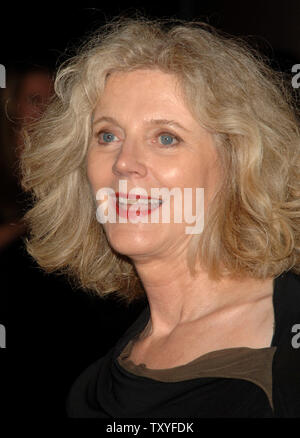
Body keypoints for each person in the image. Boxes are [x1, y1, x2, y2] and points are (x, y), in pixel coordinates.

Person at [20, 17, 300, 418]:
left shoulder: (285, 355)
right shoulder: (97, 379)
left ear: (237, 163)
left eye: (166, 138)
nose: (124, 164)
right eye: (107, 135)